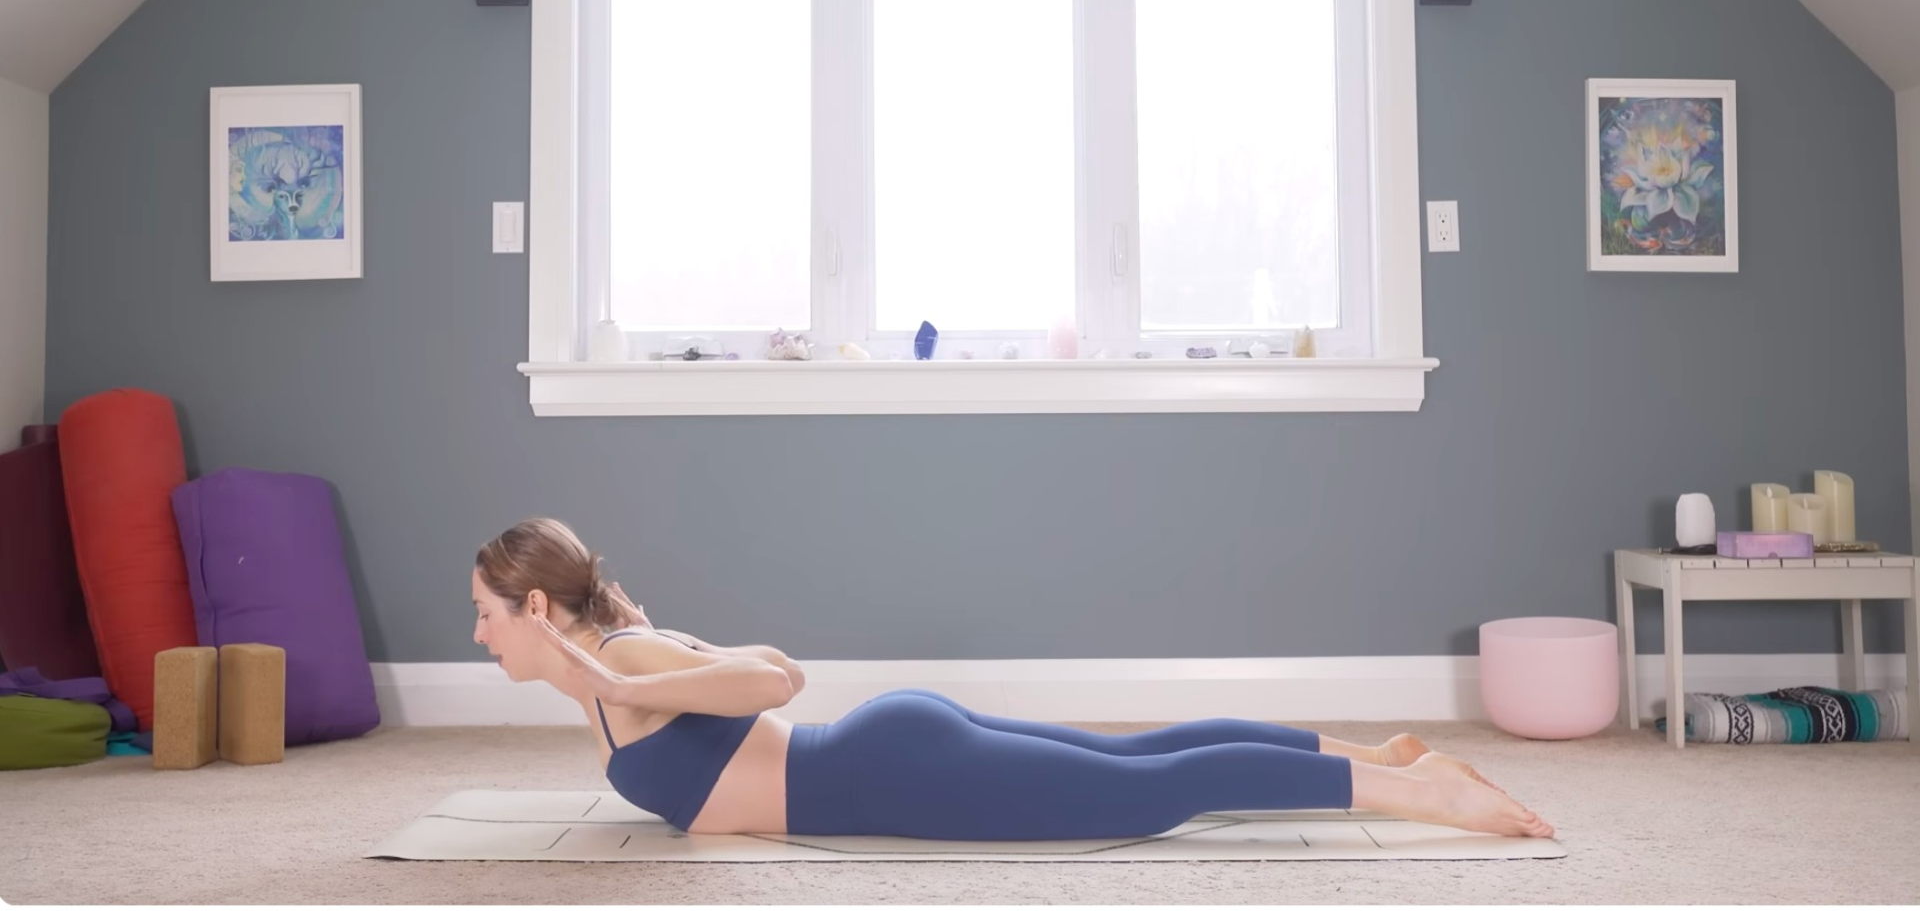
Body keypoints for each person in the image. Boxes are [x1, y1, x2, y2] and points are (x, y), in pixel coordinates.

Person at [473, 518, 1554, 842]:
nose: (476, 636)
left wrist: (612, 678)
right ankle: (1374, 757)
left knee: (1147, 795)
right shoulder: (613, 667)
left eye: (482, 614)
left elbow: (777, 681)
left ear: (534, 610)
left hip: (888, 771)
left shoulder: (618, 666)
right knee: (1140, 758)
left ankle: (1425, 797)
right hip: (894, 751)